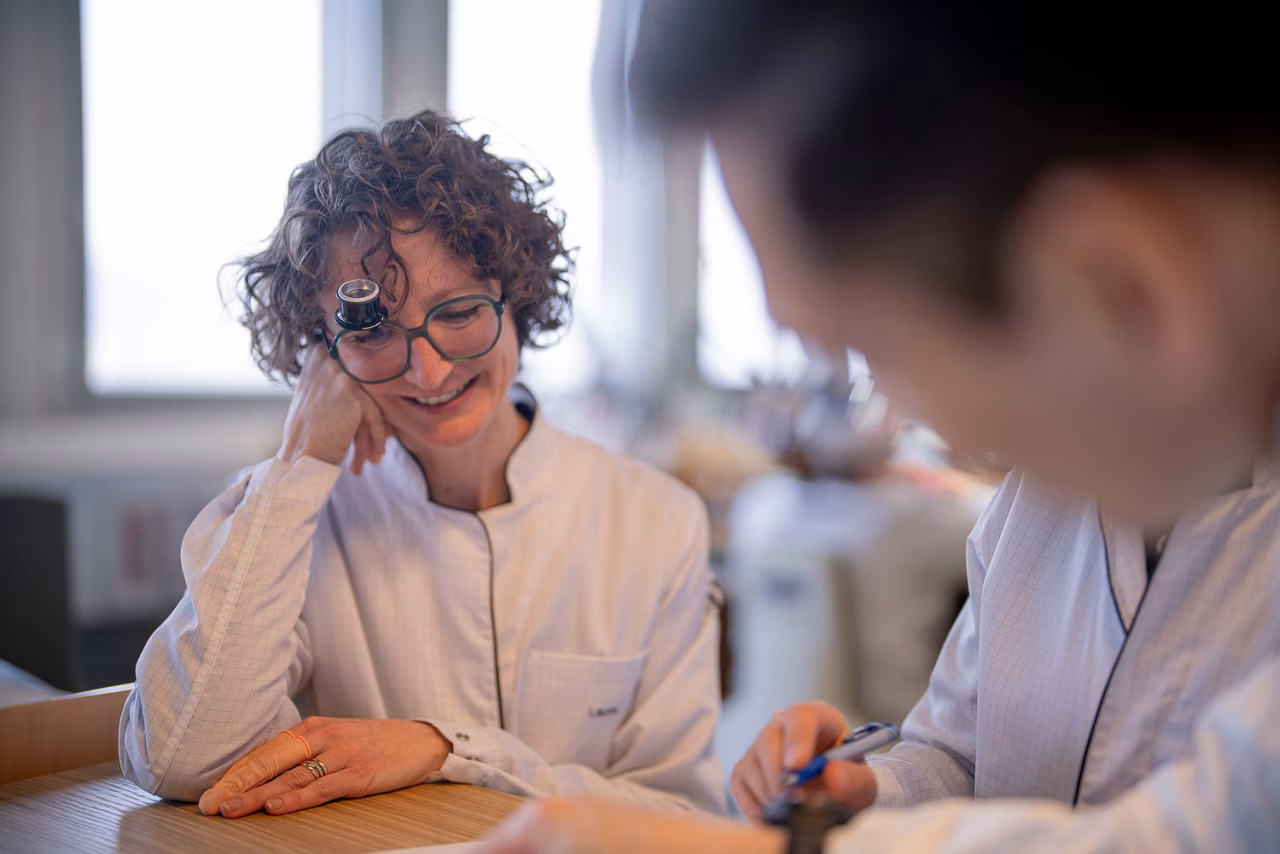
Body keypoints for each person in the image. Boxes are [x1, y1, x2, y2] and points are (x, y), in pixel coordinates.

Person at [475, 1, 1280, 851]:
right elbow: (962, 757)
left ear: (1127, 288)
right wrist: (864, 793)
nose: (900, 415)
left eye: (876, 341)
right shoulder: (1046, 502)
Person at [118, 109, 725, 819]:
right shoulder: (291, 516)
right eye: (373, 330)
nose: (429, 369)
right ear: (323, 351)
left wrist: (444, 750)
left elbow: (685, 817)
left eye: (460, 311)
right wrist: (302, 458)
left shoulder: (654, 520)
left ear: (516, 296)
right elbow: (181, 755)